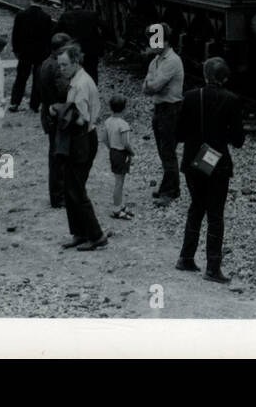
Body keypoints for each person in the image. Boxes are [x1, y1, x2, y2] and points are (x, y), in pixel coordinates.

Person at [175, 57, 246, 284]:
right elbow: (238, 140)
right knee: (215, 214)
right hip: (217, 163)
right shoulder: (232, 100)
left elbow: (178, 134)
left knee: (196, 206)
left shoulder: (191, 97)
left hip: (193, 160)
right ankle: (213, 267)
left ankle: (186, 257)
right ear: (225, 78)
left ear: (205, 76)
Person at [55, 42, 109, 251]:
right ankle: (78, 232)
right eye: (60, 65)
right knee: (71, 188)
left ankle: (96, 235)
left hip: (80, 140)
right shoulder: (79, 79)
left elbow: (81, 119)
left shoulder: (80, 85)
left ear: (76, 62)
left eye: (65, 65)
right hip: (82, 139)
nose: (61, 69)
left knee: (76, 189)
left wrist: (58, 111)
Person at [143, 23, 186, 202]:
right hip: (160, 108)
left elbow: (154, 86)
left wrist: (152, 85)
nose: (152, 45)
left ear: (166, 41)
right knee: (163, 151)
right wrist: (151, 85)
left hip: (171, 110)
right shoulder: (156, 61)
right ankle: (168, 187)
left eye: (156, 40)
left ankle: (170, 191)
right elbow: (146, 88)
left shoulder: (172, 61)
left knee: (168, 151)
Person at [39, 33, 73, 208]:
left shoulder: (45, 63)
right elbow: (63, 91)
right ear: (60, 48)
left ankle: (57, 194)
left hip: (48, 112)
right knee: (58, 156)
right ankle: (59, 196)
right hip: (57, 115)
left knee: (55, 154)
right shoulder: (57, 67)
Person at [11, 0, 54, 113]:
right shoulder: (46, 17)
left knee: (21, 78)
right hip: (40, 54)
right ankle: (34, 105)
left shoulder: (21, 15)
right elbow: (48, 38)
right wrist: (47, 53)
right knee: (38, 79)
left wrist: (16, 51)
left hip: (24, 52)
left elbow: (15, 35)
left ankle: (15, 102)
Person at [100, 95, 136, 219]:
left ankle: (120, 204)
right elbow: (126, 143)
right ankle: (116, 208)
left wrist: (111, 147)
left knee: (119, 180)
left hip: (113, 152)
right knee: (119, 182)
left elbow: (104, 138)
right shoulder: (123, 124)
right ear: (124, 109)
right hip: (121, 153)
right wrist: (131, 152)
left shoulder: (108, 121)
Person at [56, 0, 102, 82]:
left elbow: (56, 32)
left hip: (72, 51)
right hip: (90, 52)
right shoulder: (92, 15)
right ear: (83, 2)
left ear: (70, 3)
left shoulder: (65, 16)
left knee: (73, 77)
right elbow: (106, 29)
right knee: (92, 76)